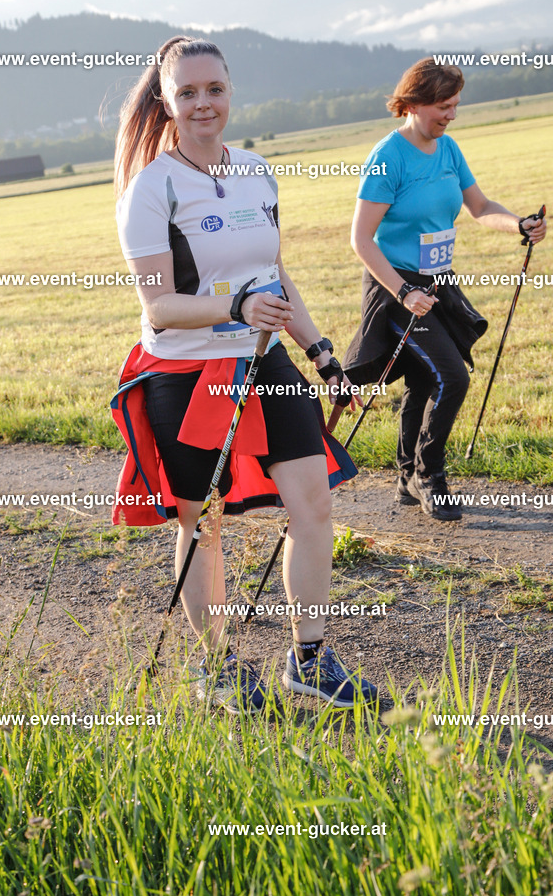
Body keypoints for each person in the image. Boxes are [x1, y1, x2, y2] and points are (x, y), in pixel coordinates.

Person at [111, 35, 377, 712]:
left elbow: (275, 273)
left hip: (265, 360)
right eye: (189, 93)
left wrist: (320, 352)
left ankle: (309, 658)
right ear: (167, 104)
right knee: (202, 524)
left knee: (314, 505)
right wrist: (234, 305)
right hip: (187, 371)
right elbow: (160, 307)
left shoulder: (257, 170)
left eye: (215, 89)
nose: (205, 103)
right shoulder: (152, 188)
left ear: (231, 92)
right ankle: (214, 667)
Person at [343, 58, 547, 521]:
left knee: (424, 379)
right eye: (443, 106)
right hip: (395, 287)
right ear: (413, 103)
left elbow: (479, 207)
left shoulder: (449, 149)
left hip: (438, 284)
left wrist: (519, 223)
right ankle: (428, 476)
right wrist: (402, 293)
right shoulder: (387, 157)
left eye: (455, 105)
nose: (451, 115)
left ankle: (404, 477)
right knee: (452, 377)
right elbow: (360, 240)